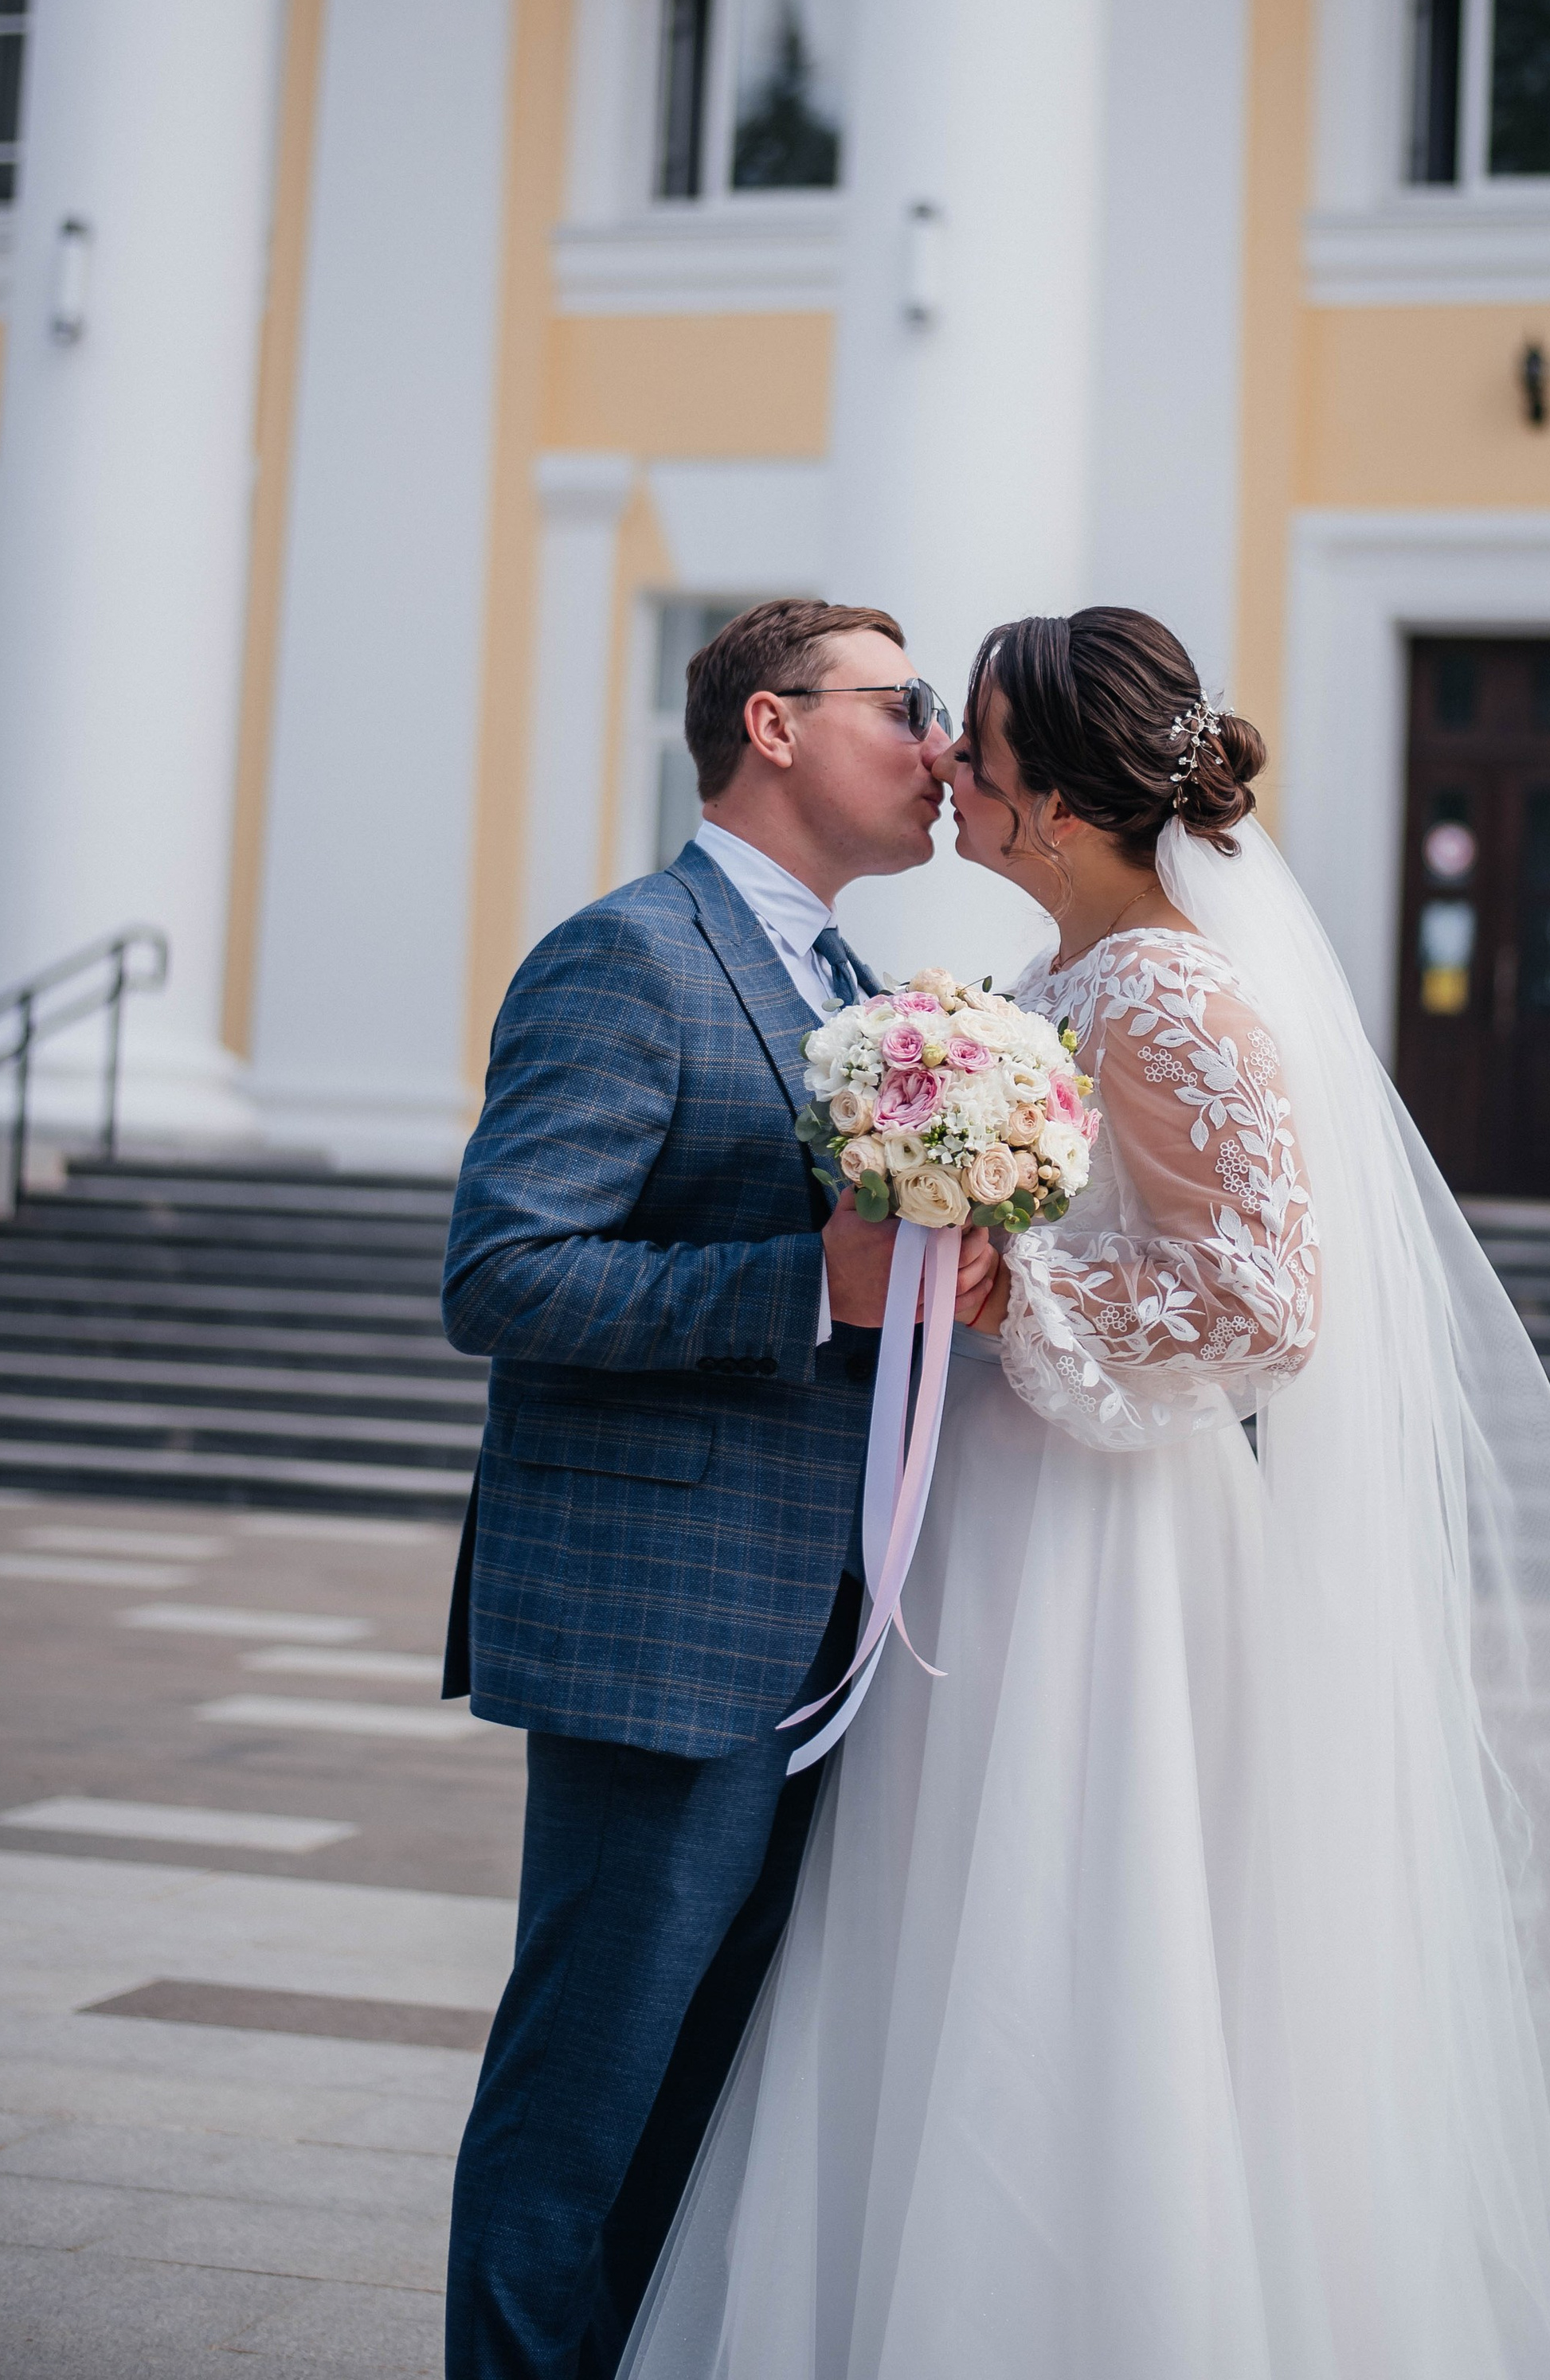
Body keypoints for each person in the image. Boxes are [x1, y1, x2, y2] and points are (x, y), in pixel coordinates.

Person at [624, 606, 1550, 2380]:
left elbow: (1268, 1302)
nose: (948, 772)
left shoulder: (1164, 985)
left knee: (1079, 1940)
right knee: (942, 1937)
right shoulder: (1049, 988)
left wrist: (1012, 1290)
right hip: (993, 1510)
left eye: (971, 745)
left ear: (1050, 799)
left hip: (1104, 1541)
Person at [439, 598, 996, 2380]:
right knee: (581, 2113)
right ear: (769, 725)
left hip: (822, 1636)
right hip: (655, 1633)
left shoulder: (859, 987)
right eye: (903, 702)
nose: (935, 744)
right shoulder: (628, 955)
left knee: (701, 2118)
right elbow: (501, 1272)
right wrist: (802, 1287)